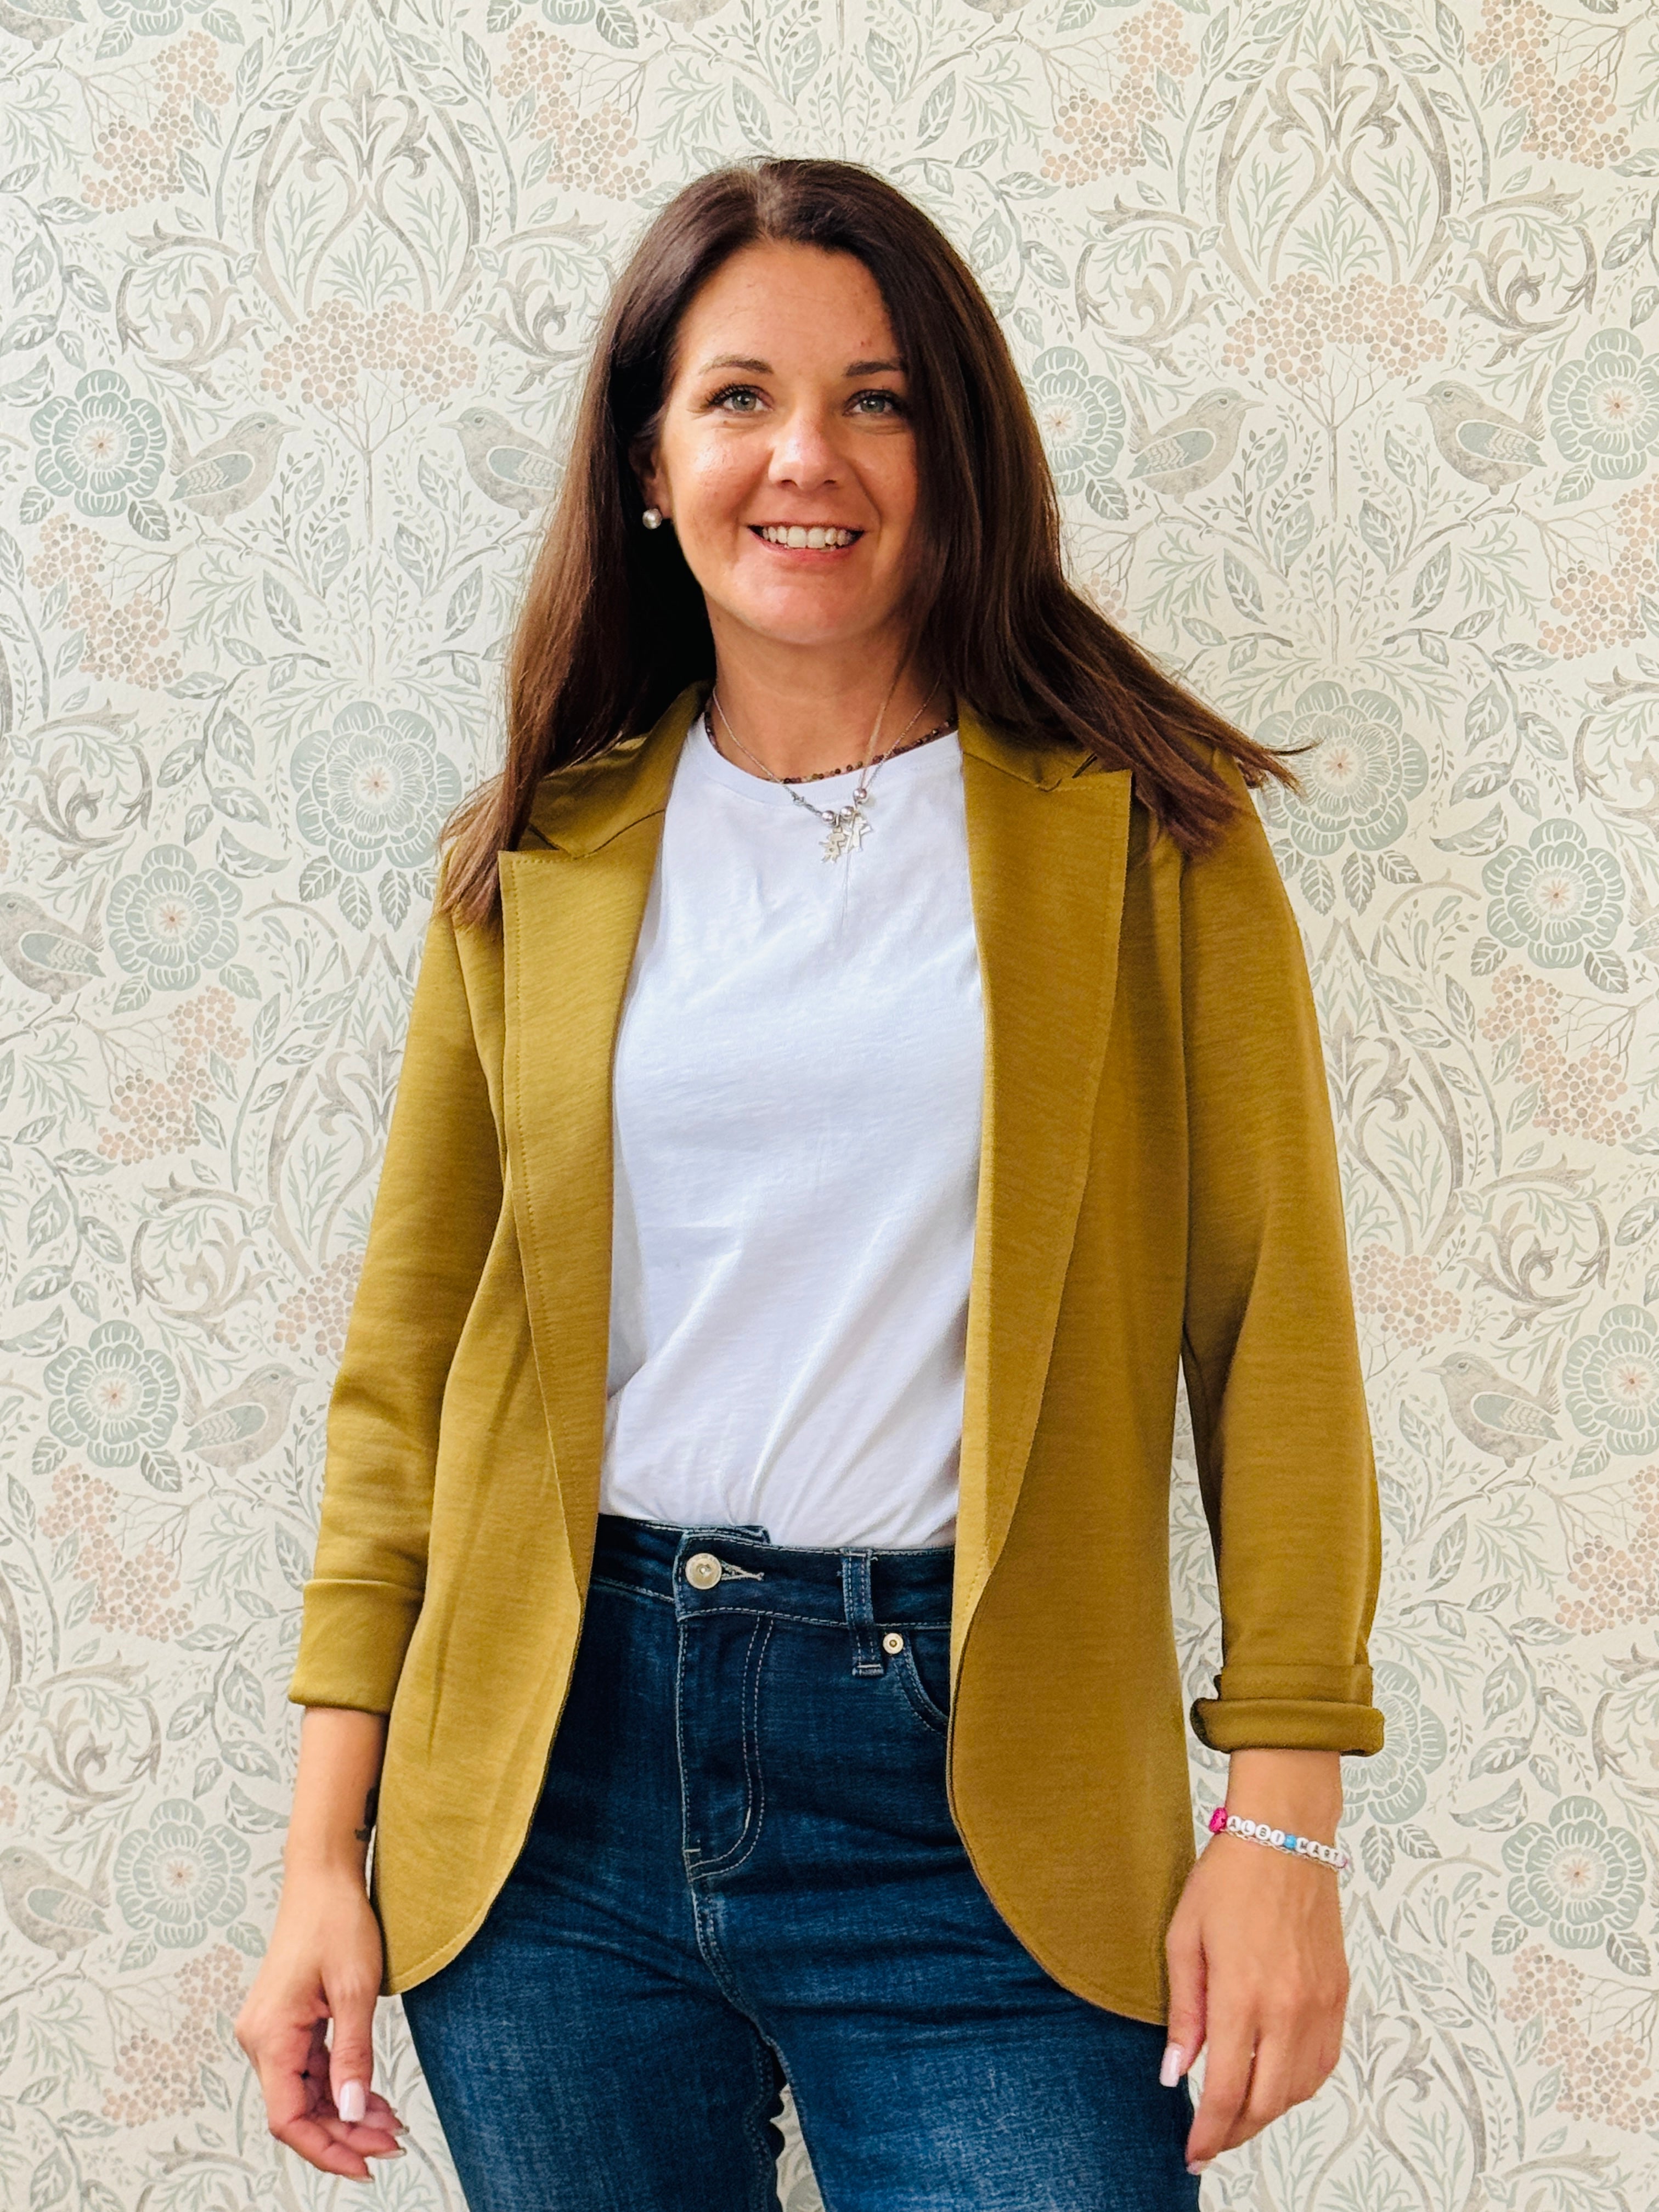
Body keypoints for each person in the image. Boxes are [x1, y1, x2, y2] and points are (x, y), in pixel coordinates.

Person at [235, 157, 1384, 2211]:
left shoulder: (1149, 843)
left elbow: (1273, 1336)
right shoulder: (539, 859)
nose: (807, 458)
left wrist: (1281, 1827)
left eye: (879, 400)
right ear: (649, 466)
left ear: (957, 453)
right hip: (552, 1798)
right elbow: (401, 1381)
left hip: (985, 1807)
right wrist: (325, 1853)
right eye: (739, 398)